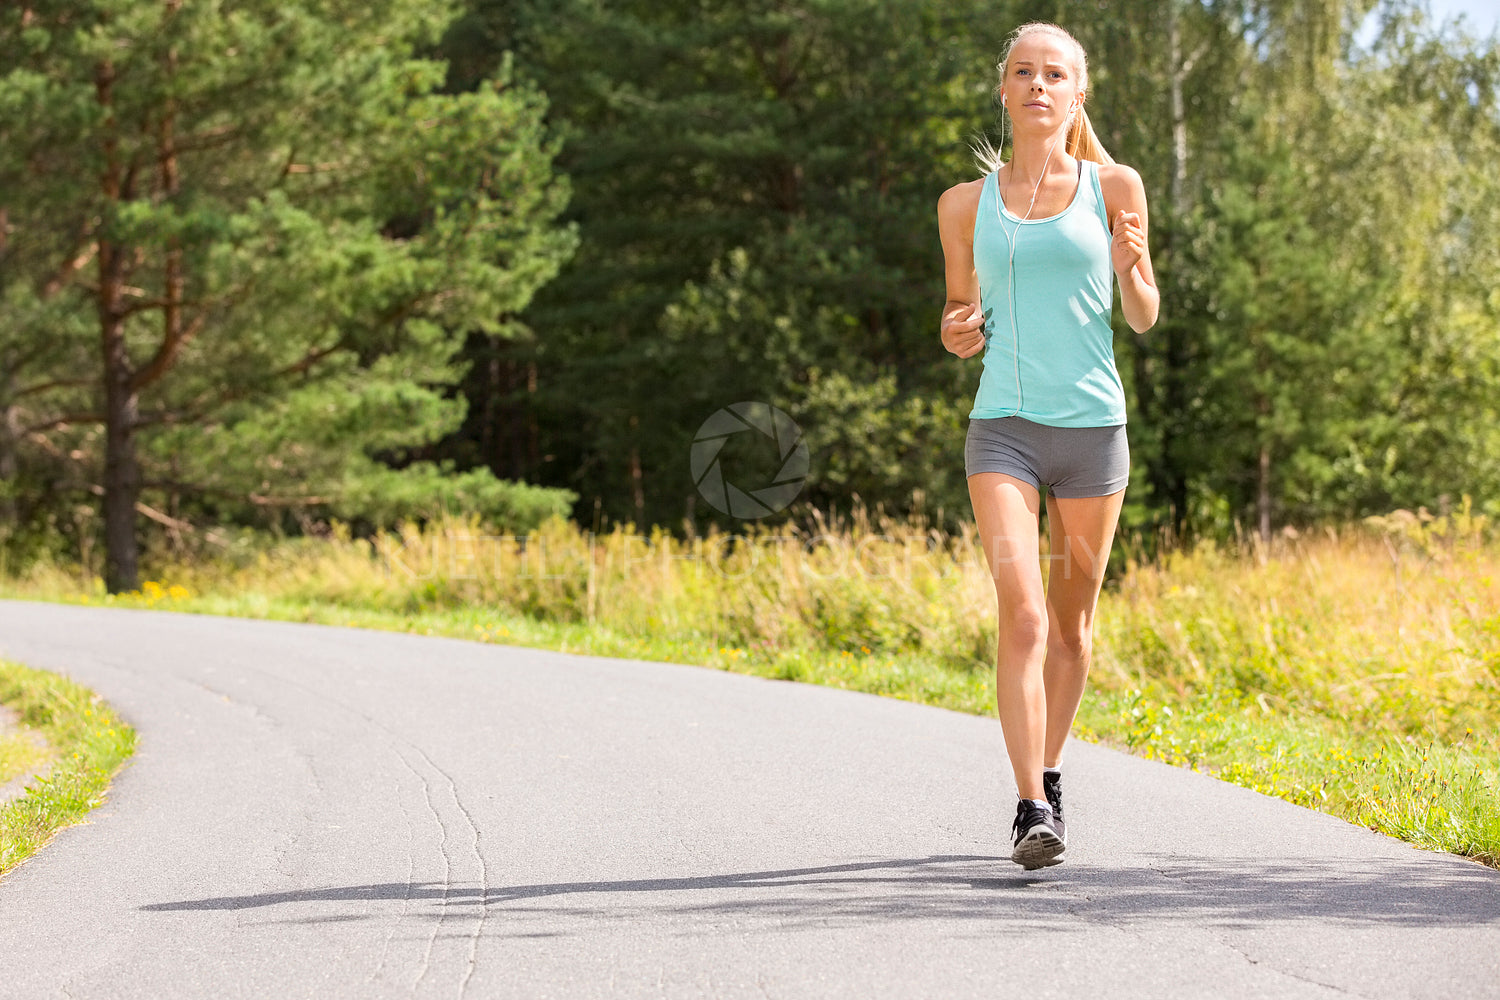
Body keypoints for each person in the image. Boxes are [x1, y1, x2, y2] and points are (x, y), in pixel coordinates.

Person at [936, 22, 1158, 869]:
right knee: (1024, 615)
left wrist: (1135, 267)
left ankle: (1053, 774)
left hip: (1095, 434)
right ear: (1004, 91)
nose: (1038, 85)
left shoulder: (1115, 186)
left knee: (1071, 628)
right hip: (1005, 434)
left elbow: (1142, 315)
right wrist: (958, 333)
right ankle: (1031, 805)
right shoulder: (965, 204)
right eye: (1023, 73)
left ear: (1077, 93)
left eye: (1054, 74)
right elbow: (961, 319)